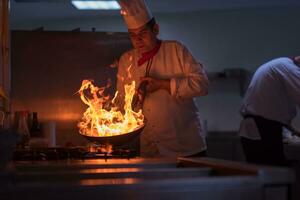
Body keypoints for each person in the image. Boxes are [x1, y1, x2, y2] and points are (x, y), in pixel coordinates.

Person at [115, 0, 209, 158]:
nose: (138, 40)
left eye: (143, 34)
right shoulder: (126, 59)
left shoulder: (175, 50)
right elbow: (121, 102)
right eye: (133, 36)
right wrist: (134, 99)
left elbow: (202, 84)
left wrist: (163, 84)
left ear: (155, 29)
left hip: (185, 147)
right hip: (150, 148)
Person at [239, 56, 300, 166]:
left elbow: (277, 109)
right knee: (272, 174)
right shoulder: (288, 67)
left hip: (256, 127)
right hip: (262, 129)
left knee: (266, 173)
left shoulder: (278, 65)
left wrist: (294, 130)